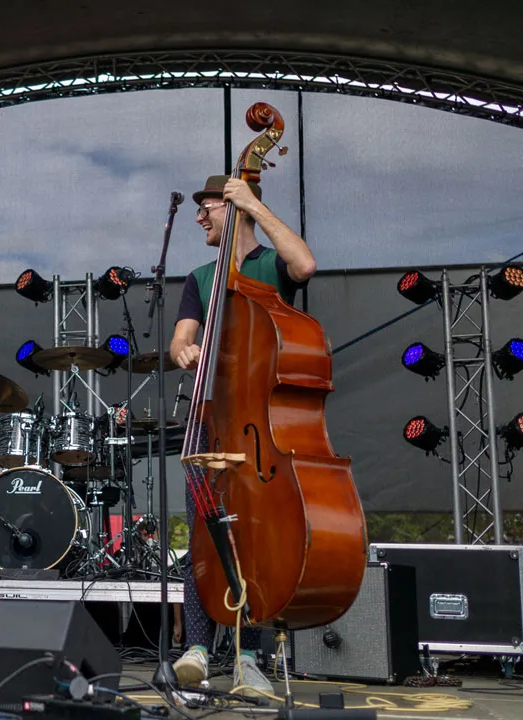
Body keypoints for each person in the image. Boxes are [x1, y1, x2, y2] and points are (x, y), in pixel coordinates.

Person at [168, 175, 317, 693]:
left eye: (207, 207)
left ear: (232, 209)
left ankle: (249, 657)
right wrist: (184, 351)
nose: (198, 218)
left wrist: (253, 203)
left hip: (262, 427)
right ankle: (198, 647)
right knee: (204, 535)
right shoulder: (200, 277)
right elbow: (180, 341)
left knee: (253, 538)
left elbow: (304, 265)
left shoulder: (268, 266)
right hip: (212, 420)